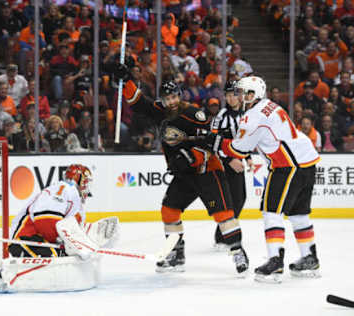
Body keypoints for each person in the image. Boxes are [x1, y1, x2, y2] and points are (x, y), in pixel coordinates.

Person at [117, 65, 249, 275]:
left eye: (173, 98)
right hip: (184, 175)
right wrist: (126, 80)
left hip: (207, 170)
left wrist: (189, 157)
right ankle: (176, 254)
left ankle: (237, 251)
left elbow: (209, 142)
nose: (171, 102)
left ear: (179, 96)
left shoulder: (193, 114)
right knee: (169, 210)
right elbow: (138, 103)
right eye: (167, 99)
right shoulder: (160, 111)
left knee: (224, 214)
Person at [203, 76, 321, 283]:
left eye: (242, 92)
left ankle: (275, 262)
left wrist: (216, 141)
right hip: (307, 161)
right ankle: (309, 257)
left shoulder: (253, 116)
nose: (238, 96)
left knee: (271, 211)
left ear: (252, 95)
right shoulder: (269, 105)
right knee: (299, 213)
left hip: (288, 165)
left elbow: (239, 148)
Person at [0, 164, 119, 292]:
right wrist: (66, 244)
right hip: (24, 239)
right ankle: (4, 276)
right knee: (60, 257)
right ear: (79, 180)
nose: (87, 188)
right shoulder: (63, 189)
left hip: (43, 241)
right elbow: (45, 221)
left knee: (72, 259)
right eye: (86, 183)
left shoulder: (77, 204)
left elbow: (73, 232)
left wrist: (91, 239)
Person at [210, 81, 253, 249]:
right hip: (223, 163)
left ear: (240, 96)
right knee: (229, 200)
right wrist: (229, 160)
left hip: (237, 162)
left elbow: (243, 141)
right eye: (227, 95)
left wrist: (247, 157)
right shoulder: (221, 115)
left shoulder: (245, 116)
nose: (230, 98)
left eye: (234, 94)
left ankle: (224, 233)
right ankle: (222, 237)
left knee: (239, 198)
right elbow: (213, 141)